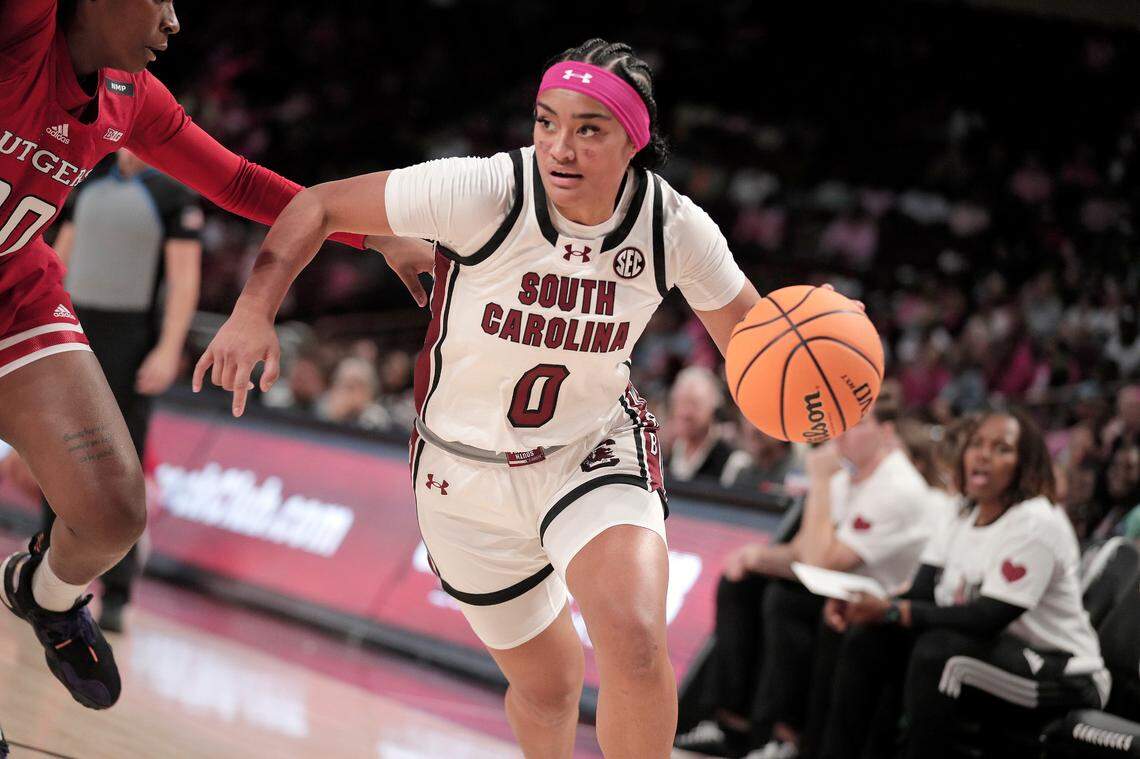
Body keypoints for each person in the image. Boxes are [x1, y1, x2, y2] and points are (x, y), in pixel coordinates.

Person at [190, 37, 858, 758]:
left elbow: (754, 347)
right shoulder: (485, 190)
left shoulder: (676, 228)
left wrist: (808, 372)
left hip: (590, 449)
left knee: (633, 640)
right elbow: (317, 204)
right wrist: (254, 309)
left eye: (588, 128)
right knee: (548, 685)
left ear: (634, 141)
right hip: (462, 469)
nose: (560, 146)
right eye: (546, 121)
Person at [0, 0, 431, 710]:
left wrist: (374, 234)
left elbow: (238, 181)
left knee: (113, 514)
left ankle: (42, 594)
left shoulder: (130, 97)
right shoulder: (23, 28)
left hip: (17, 294)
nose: (173, 22)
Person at [816, 410, 1108, 759]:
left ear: (1025, 465)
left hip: (1062, 672)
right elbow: (922, 592)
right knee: (870, 635)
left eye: (1001, 448)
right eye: (977, 444)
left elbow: (987, 617)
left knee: (940, 654)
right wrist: (863, 606)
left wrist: (893, 610)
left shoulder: (1036, 523)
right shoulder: (960, 512)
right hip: (994, 652)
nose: (983, 455)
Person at [676, 399, 933, 758]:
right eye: (840, 423)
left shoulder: (897, 487)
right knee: (743, 583)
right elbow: (800, 551)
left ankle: (784, 738)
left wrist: (820, 480)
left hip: (883, 608)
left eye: (857, 424)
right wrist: (754, 557)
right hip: (839, 590)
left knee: (787, 600)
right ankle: (728, 723)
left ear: (886, 432)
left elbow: (820, 561)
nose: (841, 435)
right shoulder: (847, 477)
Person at [35, 147, 203, 633]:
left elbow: (184, 280)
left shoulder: (171, 192)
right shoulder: (88, 181)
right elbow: (54, 260)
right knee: (57, 455)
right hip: (74, 327)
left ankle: (118, 594)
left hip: (131, 341)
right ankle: (47, 576)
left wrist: (169, 348)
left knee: (121, 468)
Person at [665, 366, 734, 483]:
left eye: (694, 404)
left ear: (713, 408)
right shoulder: (664, 455)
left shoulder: (730, 463)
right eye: (679, 402)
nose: (684, 412)